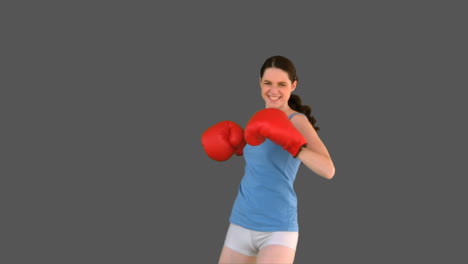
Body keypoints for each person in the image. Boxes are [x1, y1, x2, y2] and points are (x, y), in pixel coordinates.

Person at [201, 55, 335, 264]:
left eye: (282, 84)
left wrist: (294, 146)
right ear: (260, 83)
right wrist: (238, 147)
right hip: (241, 221)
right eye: (267, 83)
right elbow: (262, 166)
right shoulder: (258, 119)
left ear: (293, 85)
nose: (273, 91)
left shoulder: (297, 121)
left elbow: (328, 170)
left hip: (277, 228)